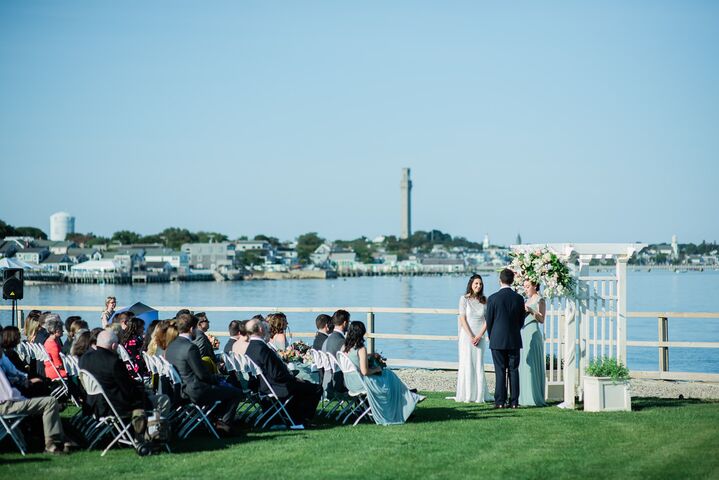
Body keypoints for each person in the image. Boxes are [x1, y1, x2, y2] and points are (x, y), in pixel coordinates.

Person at [79, 330, 169, 439]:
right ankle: (153, 435)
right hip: (115, 406)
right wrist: (143, 391)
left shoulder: (85, 358)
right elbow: (128, 389)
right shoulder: (113, 361)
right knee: (162, 399)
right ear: (114, 345)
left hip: (93, 404)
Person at [165, 313, 243, 432]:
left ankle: (214, 420)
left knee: (224, 390)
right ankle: (224, 427)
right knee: (235, 392)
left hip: (178, 389)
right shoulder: (190, 347)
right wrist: (217, 378)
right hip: (195, 391)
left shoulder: (171, 346)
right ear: (191, 329)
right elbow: (202, 375)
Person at [341, 321, 422, 425]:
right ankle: (409, 399)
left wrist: (369, 356)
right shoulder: (360, 349)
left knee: (389, 377)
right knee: (389, 376)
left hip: (350, 383)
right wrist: (377, 369)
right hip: (362, 383)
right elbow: (365, 371)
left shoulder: (343, 348)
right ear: (361, 334)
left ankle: (409, 397)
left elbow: (354, 362)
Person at [244, 319, 322, 426]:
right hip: (276, 386)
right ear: (261, 329)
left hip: (264, 386)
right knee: (315, 388)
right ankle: (303, 419)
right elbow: (276, 374)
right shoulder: (262, 348)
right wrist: (292, 378)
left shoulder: (250, 348)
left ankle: (293, 416)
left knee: (303, 386)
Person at [0, 366, 73, 454]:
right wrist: (25, 395)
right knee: (50, 402)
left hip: (7, 404)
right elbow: (9, 394)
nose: (2, 352)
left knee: (47, 401)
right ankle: (53, 442)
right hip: (8, 405)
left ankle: (60, 439)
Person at [485, 268, 526, 409]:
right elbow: (521, 321)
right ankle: (514, 402)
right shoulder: (519, 298)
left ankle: (500, 402)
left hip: (497, 339)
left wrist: (491, 336)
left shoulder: (492, 298)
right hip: (514, 338)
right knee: (514, 370)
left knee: (500, 370)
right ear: (513, 281)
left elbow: (489, 321)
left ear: (500, 280)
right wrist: (515, 330)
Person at [455, 274, 492, 403]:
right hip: (466, 336)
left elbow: (488, 320)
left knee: (478, 363)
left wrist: (479, 335)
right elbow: (462, 318)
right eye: (476, 283)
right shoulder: (463, 299)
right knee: (467, 362)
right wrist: (471, 336)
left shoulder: (485, 300)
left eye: (480, 284)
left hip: (480, 336)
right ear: (471, 284)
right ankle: (467, 394)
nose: (478, 286)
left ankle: (479, 395)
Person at [519, 280, 547, 407]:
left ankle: (534, 397)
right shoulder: (526, 300)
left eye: (528, 286)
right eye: (524, 287)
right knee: (525, 364)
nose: (525, 289)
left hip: (534, 333)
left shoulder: (540, 300)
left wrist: (531, 310)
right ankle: (524, 396)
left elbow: (541, 319)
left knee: (533, 365)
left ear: (535, 286)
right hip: (524, 332)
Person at [322, 309, 350, 394]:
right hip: (340, 382)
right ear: (345, 323)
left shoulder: (328, 339)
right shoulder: (341, 341)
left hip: (328, 380)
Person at [43, 316, 67, 380]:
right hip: (55, 372)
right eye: (61, 329)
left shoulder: (48, 341)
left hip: (49, 370)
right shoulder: (53, 346)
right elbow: (58, 364)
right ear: (57, 331)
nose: (63, 331)